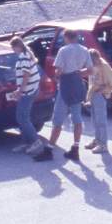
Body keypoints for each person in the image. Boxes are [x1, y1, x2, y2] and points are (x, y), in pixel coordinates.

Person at [35, 29, 91, 162]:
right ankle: (76, 147)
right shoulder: (84, 50)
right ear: (76, 37)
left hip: (66, 85)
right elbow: (90, 70)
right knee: (77, 117)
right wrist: (77, 73)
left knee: (58, 119)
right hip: (78, 84)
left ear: (66, 37)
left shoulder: (63, 50)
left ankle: (49, 149)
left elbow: (58, 70)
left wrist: (57, 77)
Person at [7, 35, 44, 155]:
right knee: (22, 117)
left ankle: (35, 141)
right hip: (31, 89)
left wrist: (19, 91)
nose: (13, 51)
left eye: (13, 48)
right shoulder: (28, 54)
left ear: (17, 46)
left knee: (23, 118)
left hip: (27, 91)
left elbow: (26, 75)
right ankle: (26, 141)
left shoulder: (23, 58)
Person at [83, 48, 112, 155]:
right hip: (93, 94)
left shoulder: (104, 66)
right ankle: (97, 140)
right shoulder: (93, 65)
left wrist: (105, 90)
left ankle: (103, 144)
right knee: (94, 119)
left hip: (99, 95)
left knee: (101, 121)